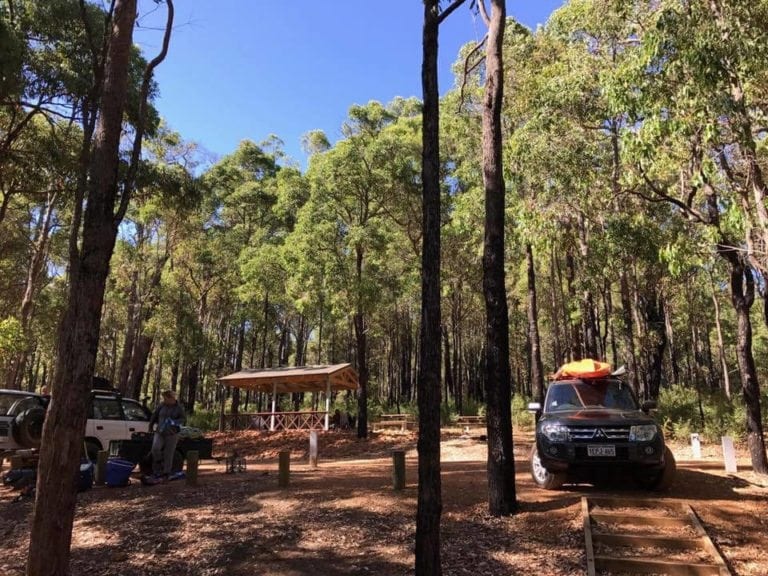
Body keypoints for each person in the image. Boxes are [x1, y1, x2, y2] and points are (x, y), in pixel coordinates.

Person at [148, 390, 186, 480]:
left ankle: (166, 472)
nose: (164, 400)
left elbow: (183, 419)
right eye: (164, 398)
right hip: (160, 431)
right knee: (155, 449)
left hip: (172, 433)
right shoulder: (161, 405)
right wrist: (151, 425)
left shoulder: (178, 408)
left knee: (169, 453)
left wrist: (174, 422)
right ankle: (157, 469)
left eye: (166, 398)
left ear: (171, 398)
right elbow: (155, 415)